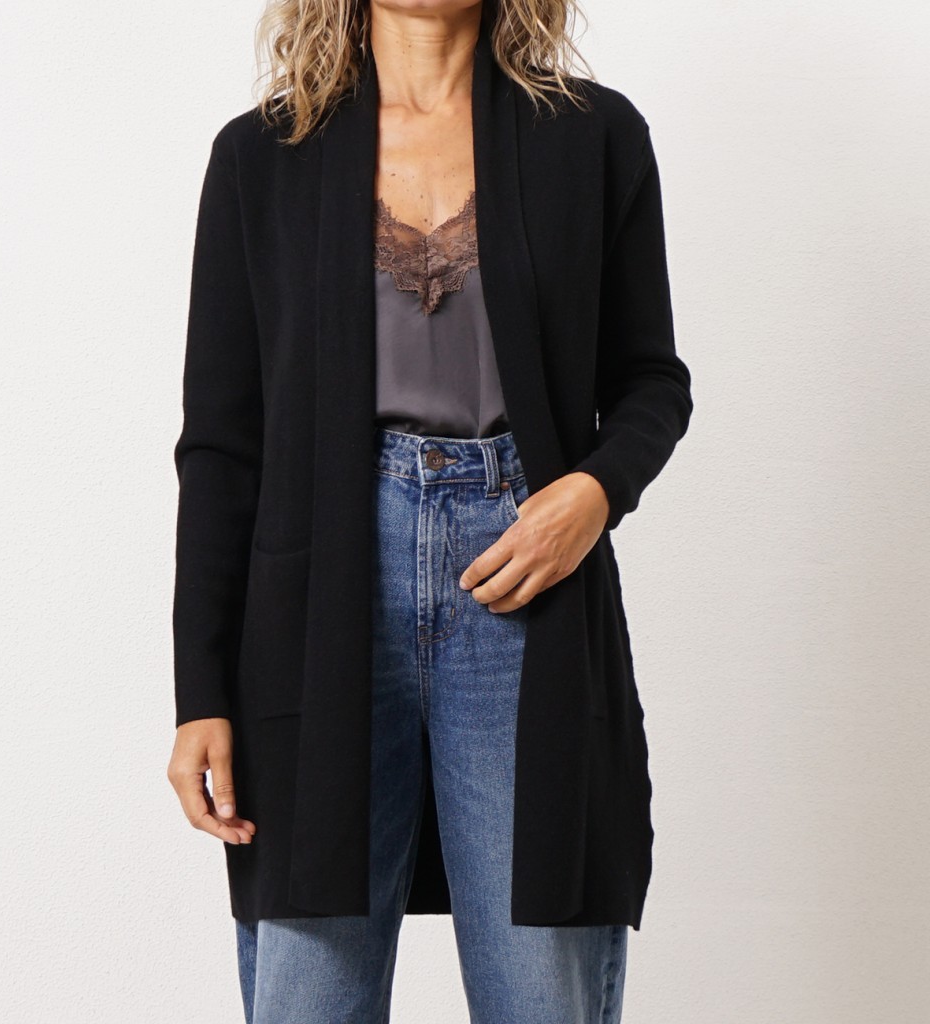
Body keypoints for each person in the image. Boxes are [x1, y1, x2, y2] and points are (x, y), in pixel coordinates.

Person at [167, 0, 693, 1020]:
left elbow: (650, 379)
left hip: (525, 577)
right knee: (308, 989)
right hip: (318, 598)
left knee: (540, 983)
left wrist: (593, 492)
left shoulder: (592, 136)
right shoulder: (261, 159)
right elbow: (224, 446)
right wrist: (201, 692)